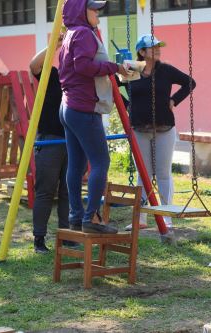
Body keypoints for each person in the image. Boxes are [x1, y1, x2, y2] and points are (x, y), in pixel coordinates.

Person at [59, 0, 129, 234]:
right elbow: (84, 67)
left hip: (68, 106)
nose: (98, 12)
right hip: (83, 107)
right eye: (93, 9)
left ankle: (76, 216)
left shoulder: (70, 34)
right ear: (81, 11)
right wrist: (114, 68)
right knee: (101, 163)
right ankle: (90, 219)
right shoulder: (84, 34)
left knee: (77, 165)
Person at [121, 34, 196, 231]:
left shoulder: (166, 70)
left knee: (163, 174)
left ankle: (166, 218)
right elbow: (113, 87)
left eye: (158, 47)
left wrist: (174, 100)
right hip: (139, 128)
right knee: (142, 174)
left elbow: (190, 82)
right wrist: (126, 105)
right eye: (152, 47)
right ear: (142, 52)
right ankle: (141, 219)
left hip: (164, 128)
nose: (157, 50)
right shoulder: (132, 69)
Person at [29, 33, 78, 253]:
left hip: (72, 141)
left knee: (68, 191)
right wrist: (55, 44)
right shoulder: (52, 75)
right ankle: (39, 239)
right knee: (45, 191)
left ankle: (66, 236)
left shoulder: (78, 80)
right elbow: (34, 65)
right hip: (50, 140)